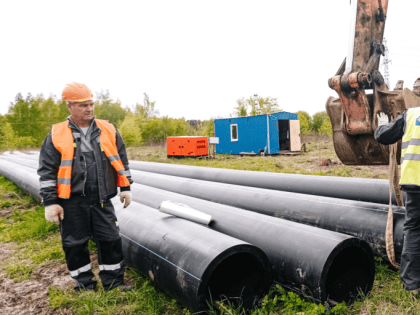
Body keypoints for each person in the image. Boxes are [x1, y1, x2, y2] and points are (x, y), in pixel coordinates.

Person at [37, 82, 133, 291]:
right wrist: (51, 203)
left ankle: (114, 284)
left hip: (101, 198)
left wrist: (126, 187)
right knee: (75, 244)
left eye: (91, 104)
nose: (89, 109)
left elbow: (121, 161)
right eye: (83, 106)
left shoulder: (108, 129)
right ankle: (85, 285)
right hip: (71, 201)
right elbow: (47, 172)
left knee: (110, 239)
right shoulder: (56, 134)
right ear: (69, 106)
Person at [375, 93, 420, 295]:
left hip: (414, 182)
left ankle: (412, 285)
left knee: (414, 229)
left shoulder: (411, 115)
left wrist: (383, 124)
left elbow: (382, 136)